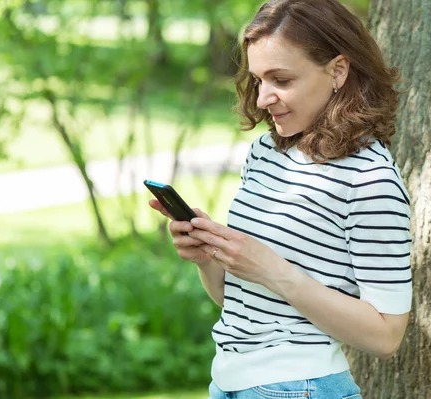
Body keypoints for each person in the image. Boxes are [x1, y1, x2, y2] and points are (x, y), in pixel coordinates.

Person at [149, 0, 412, 397]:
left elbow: (386, 336)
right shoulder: (266, 153)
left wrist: (273, 270)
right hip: (230, 380)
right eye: (258, 80)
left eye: (281, 80)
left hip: (298, 386)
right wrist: (212, 257)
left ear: (338, 71)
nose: (261, 99)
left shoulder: (369, 179)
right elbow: (239, 301)